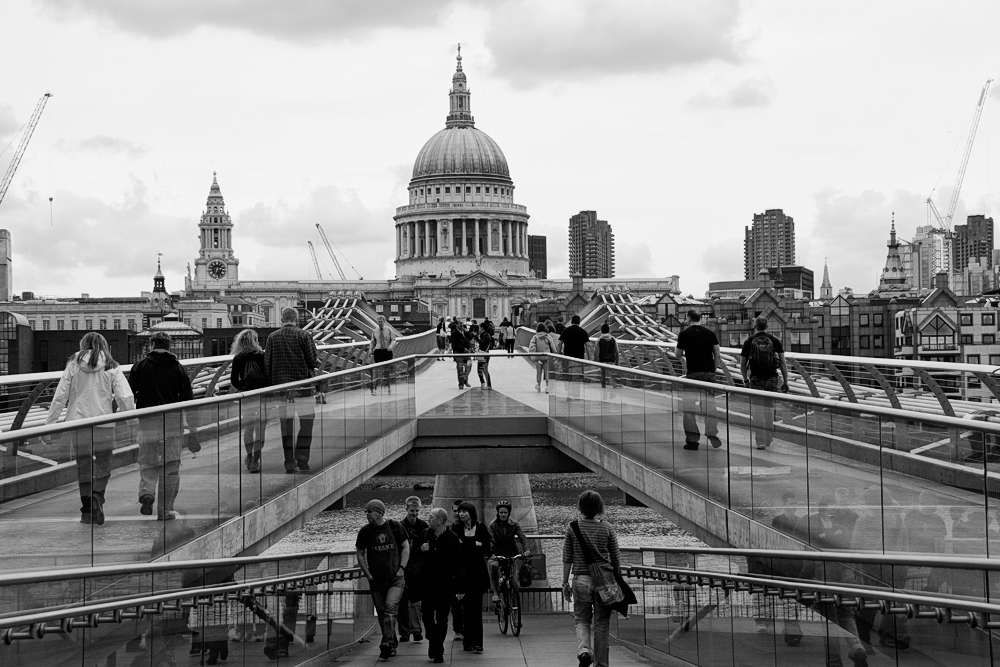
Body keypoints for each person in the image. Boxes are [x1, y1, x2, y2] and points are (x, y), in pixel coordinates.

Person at [45, 332, 135, 525]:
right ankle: (97, 496)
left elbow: (60, 396)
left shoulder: (73, 365)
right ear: (104, 346)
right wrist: (132, 421)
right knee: (104, 463)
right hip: (104, 423)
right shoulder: (112, 367)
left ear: (83, 345)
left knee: (83, 465)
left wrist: (50, 424)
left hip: (78, 423)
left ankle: (87, 510)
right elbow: (124, 397)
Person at [129, 331, 197, 521]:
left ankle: (147, 493)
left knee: (148, 464)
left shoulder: (140, 366)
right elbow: (188, 401)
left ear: (152, 345)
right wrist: (193, 429)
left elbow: (129, 393)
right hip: (172, 425)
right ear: (169, 346)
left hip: (147, 422)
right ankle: (165, 510)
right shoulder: (179, 368)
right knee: (171, 467)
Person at [562, 490, 620, 667]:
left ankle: (585, 650)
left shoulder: (572, 527)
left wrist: (564, 582)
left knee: (582, 619)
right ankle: (601, 664)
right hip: (604, 583)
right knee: (602, 624)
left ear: (580, 507)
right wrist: (617, 581)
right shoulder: (608, 528)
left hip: (580, 580)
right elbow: (616, 559)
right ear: (599, 507)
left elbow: (567, 557)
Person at [265, 307, 320, 474]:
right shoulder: (304, 335)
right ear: (296, 319)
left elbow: (267, 364)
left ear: (282, 319)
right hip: (303, 388)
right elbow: (312, 361)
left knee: (286, 426)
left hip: (282, 390)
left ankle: (289, 462)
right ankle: (302, 457)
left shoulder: (272, 338)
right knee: (306, 422)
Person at [356, 499, 411, 661]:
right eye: (365, 512)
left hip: (396, 579)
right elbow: (359, 552)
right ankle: (391, 643)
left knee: (390, 609)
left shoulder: (394, 526)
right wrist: (368, 574)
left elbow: (405, 547)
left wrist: (401, 568)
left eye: (369, 511)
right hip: (376, 580)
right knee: (382, 614)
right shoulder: (365, 532)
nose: (367, 515)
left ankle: (386, 643)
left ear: (379, 512)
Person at [416, 508, 465, 664]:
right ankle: (432, 637)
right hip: (428, 583)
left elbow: (459, 564)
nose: (428, 519)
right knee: (427, 614)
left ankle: (438, 650)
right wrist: (420, 549)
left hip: (445, 585)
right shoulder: (425, 534)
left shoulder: (452, 538)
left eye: (431, 517)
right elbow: (413, 554)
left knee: (442, 618)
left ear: (440, 521)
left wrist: (460, 587)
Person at [676, 309, 723, 450]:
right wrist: (712, 371)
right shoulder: (711, 334)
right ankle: (711, 432)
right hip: (708, 374)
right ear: (700, 318)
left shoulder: (684, 334)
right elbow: (717, 355)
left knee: (689, 409)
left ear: (689, 318)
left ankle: (692, 441)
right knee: (710, 407)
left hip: (692, 375)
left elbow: (678, 355)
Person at [739, 317, 788, 450]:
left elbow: (742, 364)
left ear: (755, 326)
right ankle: (768, 439)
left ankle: (760, 441)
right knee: (769, 409)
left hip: (755, 379)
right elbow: (783, 362)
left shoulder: (749, 341)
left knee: (758, 411)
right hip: (772, 379)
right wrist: (785, 382)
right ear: (767, 327)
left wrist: (745, 380)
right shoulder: (774, 340)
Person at [452, 501, 491, 654]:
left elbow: (487, 548)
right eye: (459, 511)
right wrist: (474, 544)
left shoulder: (481, 528)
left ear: (471, 512)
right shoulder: (456, 529)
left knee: (476, 609)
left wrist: (470, 544)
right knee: (466, 608)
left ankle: (478, 643)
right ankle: (468, 642)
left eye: (464, 511)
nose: (461, 514)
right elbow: (457, 549)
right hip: (463, 574)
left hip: (478, 573)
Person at [230, 329, 268, 473]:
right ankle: (256, 461)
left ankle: (249, 456)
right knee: (261, 429)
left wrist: (242, 388)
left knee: (249, 428)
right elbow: (268, 375)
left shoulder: (238, 358)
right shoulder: (262, 356)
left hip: (246, 397)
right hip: (263, 396)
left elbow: (233, 379)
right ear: (255, 341)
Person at [398, 496, 428, 643]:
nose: (414, 514)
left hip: (418, 568)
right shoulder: (399, 527)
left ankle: (416, 630)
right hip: (404, 568)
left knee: (415, 601)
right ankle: (404, 631)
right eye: (412, 511)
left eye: (416, 511)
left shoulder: (423, 526)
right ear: (406, 509)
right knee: (402, 602)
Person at [487, 500, 529, 602]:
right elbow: (491, 540)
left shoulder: (514, 524)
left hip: (511, 552)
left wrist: (526, 550)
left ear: (509, 513)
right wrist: (490, 553)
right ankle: (496, 593)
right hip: (497, 552)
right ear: (498, 513)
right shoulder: (493, 525)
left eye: (505, 512)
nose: (503, 514)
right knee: (493, 566)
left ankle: (513, 594)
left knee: (514, 576)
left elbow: (522, 537)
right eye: (501, 512)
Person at [559, 315, 591, 399]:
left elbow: (559, 343)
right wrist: (590, 358)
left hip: (567, 358)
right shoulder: (583, 332)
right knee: (577, 377)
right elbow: (588, 345)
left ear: (571, 321)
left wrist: (558, 354)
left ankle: (568, 393)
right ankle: (577, 395)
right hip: (579, 359)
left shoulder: (566, 330)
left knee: (568, 375)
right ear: (579, 322)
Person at [449, 500, 466, 642]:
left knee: (469, 602)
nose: (456, 514)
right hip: (454, 572)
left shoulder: (471, 528)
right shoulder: (449, 530)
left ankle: (468, 628)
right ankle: (458, 630)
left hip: (468, 569)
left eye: (459, 511)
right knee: (455, 602)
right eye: (454, 511)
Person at [370, 315, 398, 395]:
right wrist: (370, 350)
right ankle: (374, 389)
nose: (380, 323)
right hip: (378, 352)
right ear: (377, 322)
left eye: (381, 322)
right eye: (378, 322)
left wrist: (390, 346)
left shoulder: (389, 330)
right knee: (377, 371)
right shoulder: (374, 331)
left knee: (387, 371)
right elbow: (372, 341)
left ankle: (388, 387)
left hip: (387, 351)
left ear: (384, 322)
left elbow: (394, 340)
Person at [592, 323, 619, 398]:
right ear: (609, 330)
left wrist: (596, 361)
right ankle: (612, 392)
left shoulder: (599, 340)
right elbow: (616, 351)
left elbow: (596, 351)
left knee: (603, 376)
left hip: (602, 360)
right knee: (612, 376)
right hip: (611, 360)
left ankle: (604, 391)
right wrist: (617, 361)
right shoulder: (613, 339)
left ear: (601, 330)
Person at [528, 322, 554, 392]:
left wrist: (533, 356)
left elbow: (532, 347)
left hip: (538, 357)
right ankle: (547, 386)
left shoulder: (535, 337)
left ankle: (538, 385)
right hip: (546, 357)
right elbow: (552, 347)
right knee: (547, 371)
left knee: (538, 372)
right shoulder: (548, 337)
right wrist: (554, 354)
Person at [450, 321, 472, 389]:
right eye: (459, 323)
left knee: (469, 365)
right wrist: (463, 349)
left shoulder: (464, 332)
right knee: (460, 368)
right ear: (456, 325)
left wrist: (466, 331)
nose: (461, 325)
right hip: (458, 352)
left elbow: (470, 338)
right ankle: (461, 383)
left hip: (466, 352)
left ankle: (465, 379)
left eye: (462, 323)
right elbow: (454, 344)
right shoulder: (454, 333)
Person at [477, 324, 493, 390]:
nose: (479, 328)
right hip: (482, 354)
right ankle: (483, 383)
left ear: (482, 328)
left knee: (484, 370)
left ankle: (488, 384)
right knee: (479, 370)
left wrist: (476, 337)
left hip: (484, 355)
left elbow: (482, 343)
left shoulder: (486, 335)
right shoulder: (484, 334)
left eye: (479, 327)